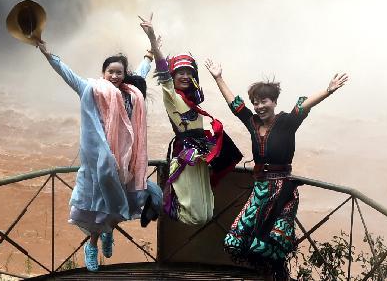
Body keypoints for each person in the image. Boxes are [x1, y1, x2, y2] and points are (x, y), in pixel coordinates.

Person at [206, 59, 348, 280]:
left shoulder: (286, 123)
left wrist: (328, 90)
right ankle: (264, 274)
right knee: (235, 240)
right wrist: (218, 78)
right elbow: (234, 104)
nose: (259, 106)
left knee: (272, 243)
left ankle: (276, 276)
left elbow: (304, 106)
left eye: (264, 101)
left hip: (283, 192)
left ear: (274, 102)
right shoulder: (251, 122)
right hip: (260, 190)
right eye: (255, 102)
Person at [36, 40, 162, 272]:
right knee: (98, 205)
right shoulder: (91, 90)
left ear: (124, 75)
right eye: (110, 72)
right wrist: (47, 54)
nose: (114, 76)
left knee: (119, 202)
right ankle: (92, 247)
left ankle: (108, 234)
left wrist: (150, 53)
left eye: (119, 72)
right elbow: (68, 75)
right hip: (99, 163)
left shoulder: (131, 92)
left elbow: (142, 72)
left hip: (125, 161)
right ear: (103, 73)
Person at [139, 14, 241, 225]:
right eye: (180, 73)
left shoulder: (192, 99)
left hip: (201, 154)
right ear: (173, 77)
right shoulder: (172, 95)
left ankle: (164, 198)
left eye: (189, 72)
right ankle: (158, 201)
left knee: (207, 214)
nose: (184, 76)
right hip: (185, 156)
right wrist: (152, 41)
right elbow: (163, 71)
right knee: (196, 217)